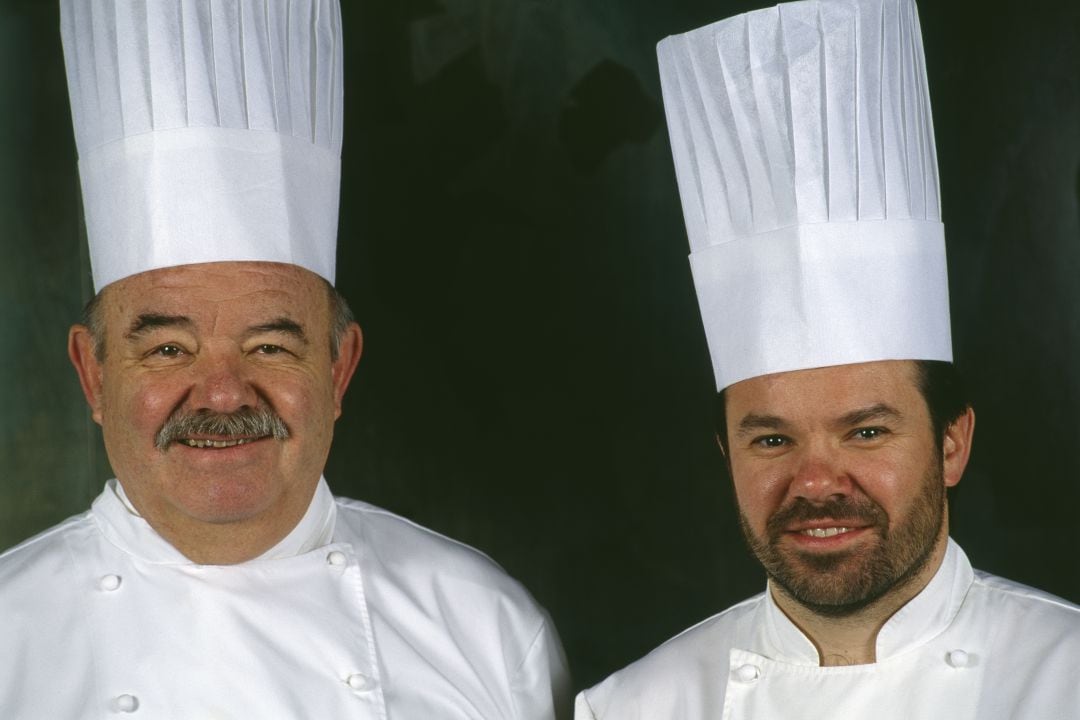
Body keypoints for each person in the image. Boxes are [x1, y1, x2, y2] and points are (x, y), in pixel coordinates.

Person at [0, 1, 570, 717]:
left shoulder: (485, 627)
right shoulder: (9, 635)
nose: (223, 395)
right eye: (169, 349)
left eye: (270, 346)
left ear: (338, 369)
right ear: (93, 372)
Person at [576, 0, 1080, 718]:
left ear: (951, 443)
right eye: (772, 438)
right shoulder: (634, 707)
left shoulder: (1067, 680)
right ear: (727, 454)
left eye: (866, 431)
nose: (814, 482)